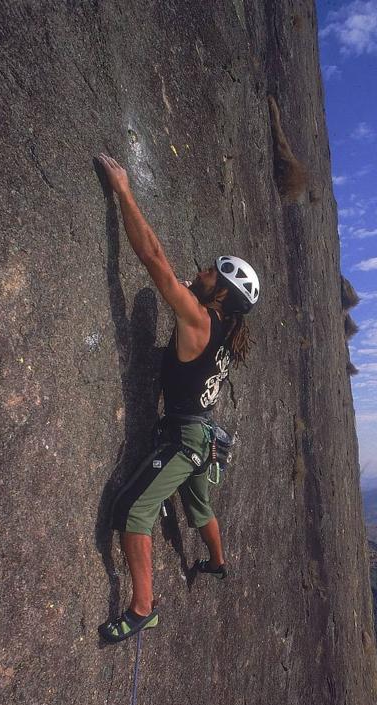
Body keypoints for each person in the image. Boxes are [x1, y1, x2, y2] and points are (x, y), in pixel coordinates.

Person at [96, 153, 260, 644]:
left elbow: (153, 262)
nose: (202, 271)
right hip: (204, 438)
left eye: (212, 273)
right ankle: (217, 562)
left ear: (221, 295)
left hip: (187, 438)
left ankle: (142, 608)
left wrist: (123, 193)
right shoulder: (225, 331)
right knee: (200, 508)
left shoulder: (198, 319)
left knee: (132, 512)